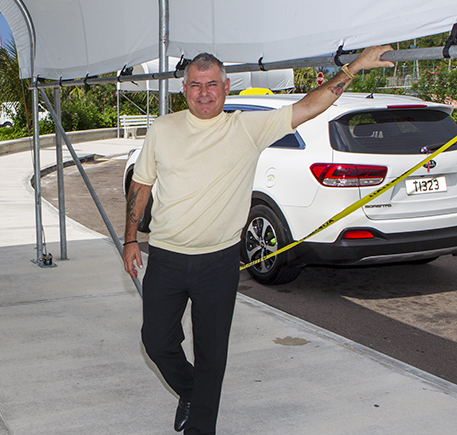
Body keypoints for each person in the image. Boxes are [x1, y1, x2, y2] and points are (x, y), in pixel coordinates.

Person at [122, 45, 394, 434]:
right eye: (196, 85)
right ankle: (190, 390)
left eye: (212, 84)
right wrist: (131, 239)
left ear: (227, 86)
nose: (204, 93)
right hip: (166, 256)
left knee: (212, 356)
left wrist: (352, 68)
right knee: (156, 342)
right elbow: (142, 184)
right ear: (184, 89)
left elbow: (308, 106)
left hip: (218, 261)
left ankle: (202, 426)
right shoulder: (163, 130)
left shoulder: (247, 129)